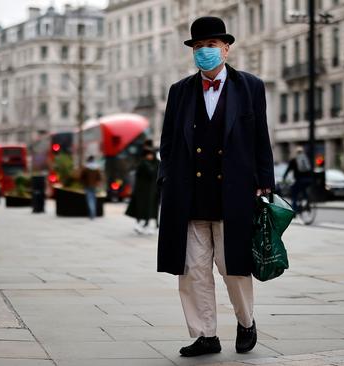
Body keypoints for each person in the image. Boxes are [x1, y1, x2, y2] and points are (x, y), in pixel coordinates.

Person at [157, 16, 274, 357]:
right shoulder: (179, 91)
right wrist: (167, 177)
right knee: (192, 270)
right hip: (188, 195)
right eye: (198, 47)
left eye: (210, 45)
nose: (204, 52)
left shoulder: (250, 86)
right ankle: (205, 334)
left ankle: (246, 321)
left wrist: (264, 182)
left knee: (232, 267)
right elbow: (167, 143)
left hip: (234, 192)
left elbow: (259, 139)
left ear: (226, 48)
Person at [125, 148, 160, 234]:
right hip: (142, 191)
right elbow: (147, 174)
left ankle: (151, 225)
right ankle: (142, 224)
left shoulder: (156, 163)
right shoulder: (143, 164)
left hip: (153, 191)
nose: (150, 156)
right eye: (148, 154)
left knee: (152, 209)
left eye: (151, 154)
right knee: (142, 208)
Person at [283, 146, 313, 211]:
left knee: (294, 194)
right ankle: (306, 203)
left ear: (296, 152)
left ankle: (294, 210)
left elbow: (288, 170)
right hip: (308, 180)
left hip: (299, 180)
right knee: (304, 190)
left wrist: (284, 177)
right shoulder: (306, 159)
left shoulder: (294, 160)